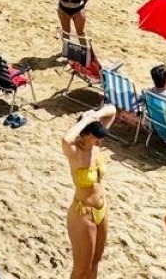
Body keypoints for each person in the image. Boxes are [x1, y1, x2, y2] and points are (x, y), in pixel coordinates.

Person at [61, 104, 118, 279]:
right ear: (85, 134)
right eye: (96, 137)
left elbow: (112, 110)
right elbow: (66, 139)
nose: (100, 140)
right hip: (83, 214)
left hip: (102, 209)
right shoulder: (74, 152)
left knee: (95, 263)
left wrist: (95, 115)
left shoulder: (96, 146)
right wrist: (85, 121)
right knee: (81, 269)